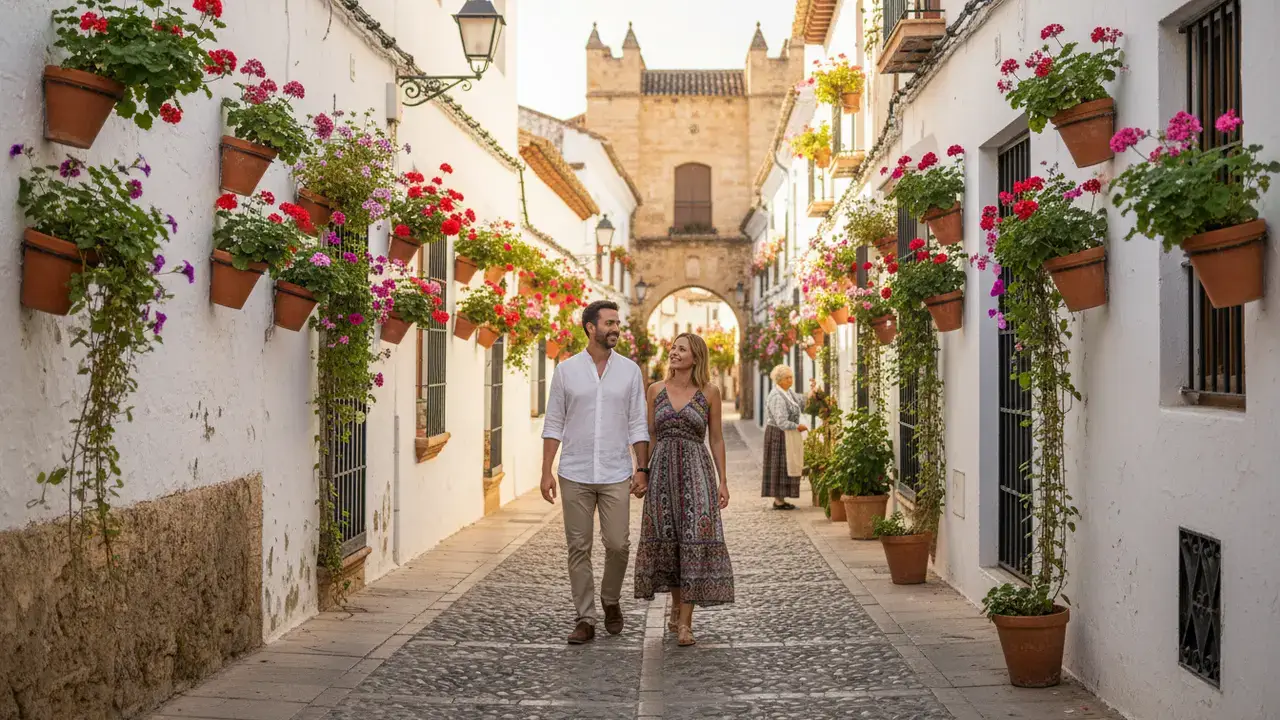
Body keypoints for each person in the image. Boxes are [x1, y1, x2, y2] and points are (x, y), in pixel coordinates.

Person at [541, 300, 651, 645]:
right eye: (609, 323)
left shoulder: (630, 371)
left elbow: (638, 423)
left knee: (618, 544)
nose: (616, 328)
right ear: (590, 327)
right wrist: (546, 471)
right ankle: (586, 617)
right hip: (574, 471)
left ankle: (610, 599)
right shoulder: (566, 371)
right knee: (578, 546)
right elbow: (554, 423)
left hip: (616, 471)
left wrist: (642, 468)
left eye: (618, 323)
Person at [633, 333, 734, 647]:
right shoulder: (655, 390)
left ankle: (686, 623)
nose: (674, 353)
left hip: (697, 472)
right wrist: (642, 470)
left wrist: (723, 480)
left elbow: (716, 438)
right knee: (669, 542)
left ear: (696, 357)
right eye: (673, 348)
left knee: (693, 539)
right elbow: (648, 432)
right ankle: (676, 606)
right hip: (662, 471)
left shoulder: (710, 392)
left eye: (681, 349)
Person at [761, 365, 813, 510]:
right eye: (787, 378)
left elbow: (800, 402)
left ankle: (781, 499)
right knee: (780, 466)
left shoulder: (787, 392)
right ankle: (778, 501)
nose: (791, 380)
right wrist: (797, 426)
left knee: (786, 466)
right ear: (779, 380)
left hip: (785, 434)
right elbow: (781, 421)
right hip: (777, 434)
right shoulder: (777, 396)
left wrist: (812, 393)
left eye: (791, 377)